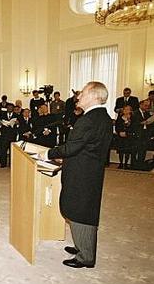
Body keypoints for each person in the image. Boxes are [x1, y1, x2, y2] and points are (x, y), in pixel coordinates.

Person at [44, 81, 113, 268]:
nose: (78, 96)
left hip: (83, 173)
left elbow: (73, 146)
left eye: (82, 93)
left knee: (80, 211)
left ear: (93, 95)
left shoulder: (89, 119)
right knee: (80, 208)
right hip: (87, 170)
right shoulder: (102, 117)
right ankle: (81, 246)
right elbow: (86, 147)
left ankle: (86, 257)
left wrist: (48, 153)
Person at [131, 99, 152, 169]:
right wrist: (141, 123)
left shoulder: (147, 113)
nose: (146, 107)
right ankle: (134, 166)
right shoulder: (135, 113)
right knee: (135, 151)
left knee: (143, 150)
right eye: (145, 105)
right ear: (140, 105)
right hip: (137, 134)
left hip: (145, 135)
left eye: (148, 106)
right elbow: (133, 124)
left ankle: (141, 165)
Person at [0, 103, 19, 167]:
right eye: (8, 107)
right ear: (6, 108)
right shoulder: (2, 114)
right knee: (3, 150)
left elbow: (19, 125)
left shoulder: (16, 115)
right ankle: (3, 164)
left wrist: (17, 123)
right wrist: (1, 124)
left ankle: (11, 164)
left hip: (12, 135)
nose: (10, 108)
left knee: (12, 150)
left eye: (11, 107)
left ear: (13, 108)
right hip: (4, 135)